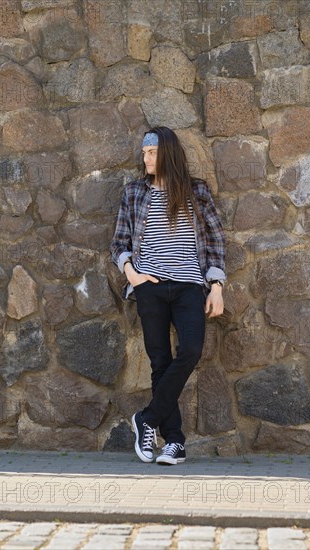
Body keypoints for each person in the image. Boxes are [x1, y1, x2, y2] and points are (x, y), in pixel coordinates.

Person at [110, 126, 226, 465]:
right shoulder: (134, 192)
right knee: (160, 362)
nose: (144, 158)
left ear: (167, 154)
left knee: (190, 350)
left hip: (191, 285)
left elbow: (217, 239)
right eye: (143, 152)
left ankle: (146, 418)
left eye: (151, 152)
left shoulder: (196, 192)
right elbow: (118, 243)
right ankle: (174, 442)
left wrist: (216, 285)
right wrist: (133, 275)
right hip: (150, 286)